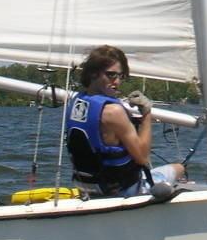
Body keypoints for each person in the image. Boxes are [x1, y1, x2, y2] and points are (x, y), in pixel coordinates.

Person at [64, 45, 185, 197]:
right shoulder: (113, 112)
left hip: (87, 188)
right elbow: (142, 158)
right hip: (121, 191)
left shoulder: (76, 101)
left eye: (120, 76)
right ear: (93, 74)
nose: (116, 82)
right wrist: (146, 113)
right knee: (179, 168)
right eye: (111, 75)